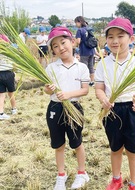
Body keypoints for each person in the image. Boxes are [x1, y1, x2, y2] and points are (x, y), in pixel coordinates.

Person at [95, 17, 135, 190]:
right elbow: (98, 88)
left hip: (132, 110)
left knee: (134, 150)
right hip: (111, 111)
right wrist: (103, 98)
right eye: (110, 36)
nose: (115, 40)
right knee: (115, 148)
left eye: (120, 36)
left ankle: (134, 184)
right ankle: (116, 179)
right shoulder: (103, 64)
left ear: (131, 39)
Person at [44, 26, 90, 190]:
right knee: (58, 145)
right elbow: (46, 89)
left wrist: (69, 94)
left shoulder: (81, 67)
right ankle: (61, 175)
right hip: (55, 108)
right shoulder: (51, 68)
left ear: (72, 42)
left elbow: (85, 90)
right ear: (53, 50)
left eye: (63, 42)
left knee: (77, 142)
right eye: (55, 46)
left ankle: (82, 173)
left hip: (74, 108)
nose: (60, 48)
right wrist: (49, 90)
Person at [74, 16, 95, 86]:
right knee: (91, 66)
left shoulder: (79, 30)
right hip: (91, 51)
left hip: (84, 51)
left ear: (79, 22)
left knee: (83, 67)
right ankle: (92, 81)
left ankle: (84, 82)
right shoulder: (89, 29)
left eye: (76, 23)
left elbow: (78, 41)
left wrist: (73, 44)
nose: (75, 24)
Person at [0, 34, 17, 120]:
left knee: (1, 94)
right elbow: (14, 64)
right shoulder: (9, 51)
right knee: (11, 92)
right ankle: (14, 109)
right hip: (8, 73)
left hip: (0, 74)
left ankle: (1, 112)